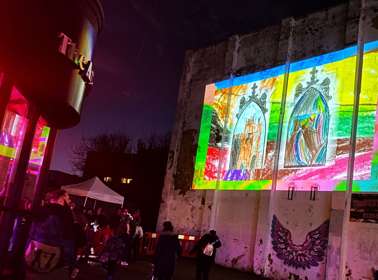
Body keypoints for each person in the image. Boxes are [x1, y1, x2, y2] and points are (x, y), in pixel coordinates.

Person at [26, 189, 79, 279]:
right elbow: (68, 241)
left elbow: (30, 233)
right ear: (61, 199)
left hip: (32, 256)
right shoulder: (65, 215)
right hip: (54, 263)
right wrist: (72, 265)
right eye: (68, 198)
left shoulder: (41, 210)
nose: (69, 201)